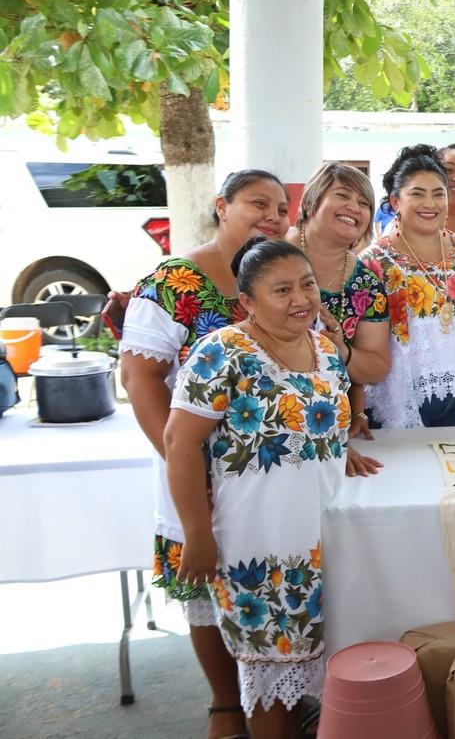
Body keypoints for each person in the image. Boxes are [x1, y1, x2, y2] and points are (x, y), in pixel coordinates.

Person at [119, 169, 288, 739]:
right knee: (205, 582)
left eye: (281, 207)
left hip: (266, 472)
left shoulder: (278, 276)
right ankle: (225, 705)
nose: (272, 214)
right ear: (222, 206)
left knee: (263, 580)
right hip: (196, 464)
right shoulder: (176, 281)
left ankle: (275, 700)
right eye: (257, 203)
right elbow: (140, 376)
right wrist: (178, 456)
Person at [164, 239, 349, 739]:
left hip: (325, 540)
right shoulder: (223, 351)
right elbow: (179, 443)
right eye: (282, 290)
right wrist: (196, 533)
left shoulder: (326, 350)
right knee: (271, 676)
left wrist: (345, 453)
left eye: (308, 285)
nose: (301, 299)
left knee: (321, 666)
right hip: (259, 545)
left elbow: (320, 432)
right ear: (248, 301)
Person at [360, 145, 455, 427]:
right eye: (417, 194)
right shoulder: (374, 261)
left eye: (439, 194)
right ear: (395, 201)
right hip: (404, 398)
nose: (430, 204)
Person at [288, 163, 390, 461]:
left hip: (333, 428)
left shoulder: (366, 283)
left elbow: (375, 368)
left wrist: (341, 350)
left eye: (364, 203)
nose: (354, 208)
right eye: (343, 196)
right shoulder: (267, 259)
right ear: (311, 202)